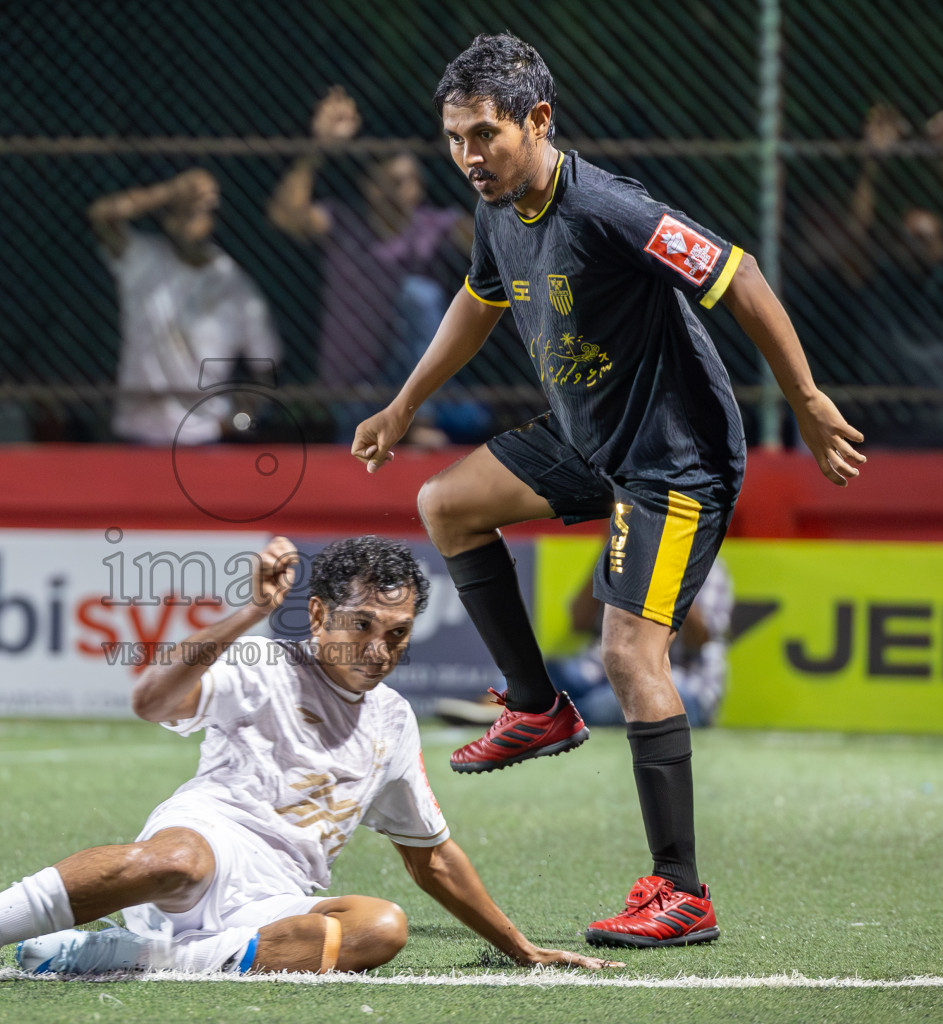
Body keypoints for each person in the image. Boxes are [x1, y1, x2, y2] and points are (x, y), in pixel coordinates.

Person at [351, 34, 865, 949]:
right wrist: (403, 405)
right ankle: (536, 704)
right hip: (591, 440)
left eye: (484, 135)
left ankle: (681, 893)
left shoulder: (605, 205)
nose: (468, 156)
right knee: (445, 504)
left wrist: (811, 401)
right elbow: (481, 299)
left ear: (538, 120)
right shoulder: (498, 204)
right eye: (455, 138)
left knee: (632, 655)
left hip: (675, 457)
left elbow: (737, 273)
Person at [0, 535, 619, 979]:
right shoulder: (261, 660)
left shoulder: (392, 719)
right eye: (363, 625)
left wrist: (521, 948)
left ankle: (129, 954)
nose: (380, 649)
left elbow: (432, 857)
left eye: (396, 634)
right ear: (317, 613)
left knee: (378, 928)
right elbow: (151, 701)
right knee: (176, 862)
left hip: (280, 897)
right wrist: (252, 609)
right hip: (211, 839)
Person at [269, 87, 485, 446]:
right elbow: (284, 215)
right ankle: (411, 425)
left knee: (420, 296)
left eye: (403, 182)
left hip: (421, 384)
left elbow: (493, 237)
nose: (395, 192)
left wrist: (469, 154)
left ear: (418, 188)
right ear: (368, 188)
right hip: (358, 388)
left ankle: (420, 417)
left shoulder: (435, 226)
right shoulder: (344, 224)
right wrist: (318, 148)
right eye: (384, 183)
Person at [91, 169, 282, 446]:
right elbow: (101, 216)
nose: (191, 219)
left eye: (202, 211)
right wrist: (170, 190)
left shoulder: (235, 286)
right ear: (168, 220)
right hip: (137, 431)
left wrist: (238, 420)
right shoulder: (142, 259)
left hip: (203, 438)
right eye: (182, 211)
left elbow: (265, 368)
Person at [846, 106, 943, 449]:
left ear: (942, 245)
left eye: (925, 238)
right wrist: (872, 164)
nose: (916, 246)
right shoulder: (884, 283)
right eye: (909, 238)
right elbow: (854, 244)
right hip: (886, 435)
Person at [548, 559, 732, 728]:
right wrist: (608, 554)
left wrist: (664, 569)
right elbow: (579, 622)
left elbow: (699, 639)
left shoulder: (706, 564)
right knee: (542, 678)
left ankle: (563, 718)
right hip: (604, 672)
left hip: (681, 684)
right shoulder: (624, 556)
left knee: (602, 707)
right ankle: (561, 715)